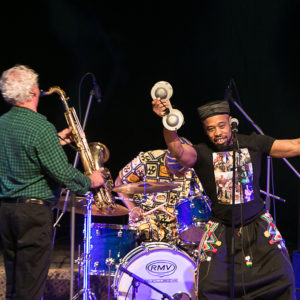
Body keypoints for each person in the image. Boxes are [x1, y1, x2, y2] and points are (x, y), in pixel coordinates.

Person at [152, 98, 299, 299]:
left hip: (258, 226)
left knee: (285, 278)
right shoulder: (201, 153)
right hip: (221, 231)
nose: (217, 133)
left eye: (221, 126)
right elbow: (177, 150)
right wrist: (167, 122)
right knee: (208, 287)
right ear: (206, 131)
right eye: (211, 129)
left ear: (230, 122)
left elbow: (293, 146)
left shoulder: (254, 143)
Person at [0, 65, 105, 300]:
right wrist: (90, 181)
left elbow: (22, 155)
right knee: (30, 289)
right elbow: (63, 173)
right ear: (33, 91)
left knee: (14, 287)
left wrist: (55, 140)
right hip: (32, 215)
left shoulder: (3, 123)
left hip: (6, 212)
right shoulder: (40, 126)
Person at [114, 139, 211, 249]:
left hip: (176, 222)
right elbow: (119, 183)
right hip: (145, 217)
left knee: (198, 240)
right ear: (169, 160)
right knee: (148, 233)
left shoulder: (192, 165)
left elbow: (197, 199)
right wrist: (133, 209)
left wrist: (183, 216)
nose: (182, 174)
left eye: (184, 171)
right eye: (178, 171)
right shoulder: (146, 159)